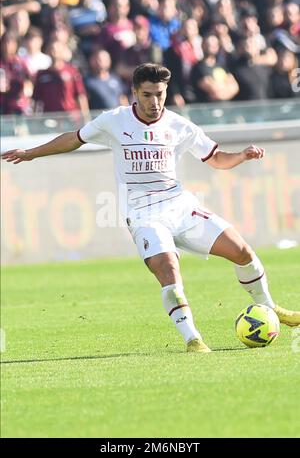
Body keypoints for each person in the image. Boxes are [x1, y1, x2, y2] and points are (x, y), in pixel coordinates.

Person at [2, 63, 299, 353]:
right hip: (143, 214)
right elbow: (74, 139)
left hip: (181, 207)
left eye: (159, 94)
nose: (154, 101)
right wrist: (31, 153)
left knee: (243, 252)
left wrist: (243, 155)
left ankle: (270, 308)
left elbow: (216, 159)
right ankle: (193, 339)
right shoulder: (115, 121)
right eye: (147, 94)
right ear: (134, 92)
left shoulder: (179, 126)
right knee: (169, 269)